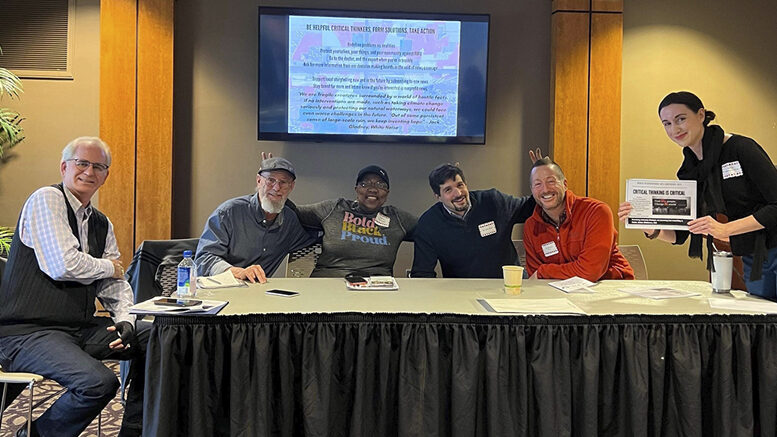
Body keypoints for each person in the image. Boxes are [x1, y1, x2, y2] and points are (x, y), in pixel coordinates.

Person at [0, 137, 146, 437]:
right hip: (28, 332)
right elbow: (63, 264)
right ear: (64, 167)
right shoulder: (46, 199)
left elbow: (114, 283)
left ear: (106, 175)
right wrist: (110, 265)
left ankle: (136, 428)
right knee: (98, 382)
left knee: (159, 337)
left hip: (76, 329)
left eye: (98, 166)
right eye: (82, 163)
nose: (89, 172)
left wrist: (126, 319)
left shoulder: (101, 223)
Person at [618, 91, 777, 298]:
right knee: (764, 322)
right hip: (753, 254)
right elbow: (681, 233)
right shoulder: (690, 170)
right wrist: (647, 225)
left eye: (680, 119)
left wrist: (726, 229)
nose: (674, 129)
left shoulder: (740, 148)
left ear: (701, 115)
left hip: (772, 245)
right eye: (666, 123)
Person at [195, 157, 315, 283]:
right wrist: (238, 272)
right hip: (219, 291)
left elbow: (317, 236)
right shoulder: (229, 212)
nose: (276, 187)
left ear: (291, 187)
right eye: (270, 180)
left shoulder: (290, 222)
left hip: (259, 294)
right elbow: (204, 259)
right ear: (259, 181)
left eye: (283, 182)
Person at [411, 163, 535, 278]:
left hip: (509, 286)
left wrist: (544, 179)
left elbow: (531, 208)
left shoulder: (493, 201)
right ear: (438, 196)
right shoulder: (429, 224)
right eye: (448, 190)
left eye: (460, 185)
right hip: (462, 293)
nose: (458, 193)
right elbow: (422, 273)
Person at [294, 165, 417, 277]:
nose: (373, 189)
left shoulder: (397, 218)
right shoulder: (335, 208)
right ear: (356, 189)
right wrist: (275, 183)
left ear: (387, 193)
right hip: (328, 283)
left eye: (381, 185)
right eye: (365, 184)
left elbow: (430, 228)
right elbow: (294, 211)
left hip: (376, 289)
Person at [524, 157, 634, 281]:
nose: (545, 189)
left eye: (551, 181)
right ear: (532, 191)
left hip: (610, 288)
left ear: (565, 184)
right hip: (559, 293)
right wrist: (542, 273)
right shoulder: (531, 226)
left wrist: (545, 270)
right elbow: (535, 276)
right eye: (538, 184)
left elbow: (590, 271)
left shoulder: (596, 211)